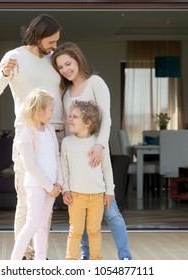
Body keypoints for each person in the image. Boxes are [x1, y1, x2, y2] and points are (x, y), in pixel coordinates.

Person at [0, 14, 64, 260]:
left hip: (55, 133)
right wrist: (4, 74)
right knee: (27, 198)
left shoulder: (54, 60)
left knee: (49, 196)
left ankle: (39, 255)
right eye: (51, 41)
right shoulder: (14, 57)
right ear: (38, 36)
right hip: (28, 133)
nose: (54, 47)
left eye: (56, 42)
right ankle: (25, 256)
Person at [52, 42, 132, 260]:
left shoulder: (95, 82)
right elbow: (69, 125)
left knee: (112, 212)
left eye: (68, 63)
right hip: (78, 158)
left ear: (77, 59)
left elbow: (106, 117)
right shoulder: (66, 92)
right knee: (84, 218)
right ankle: (86, 256)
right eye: (60, 67)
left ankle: (125, 257)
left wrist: (100, 145)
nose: (65, 69)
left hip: (98, 152)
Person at [10, 89, 63, 260]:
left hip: (52, 187)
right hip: (36, 186)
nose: (52, 113)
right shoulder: (26, 133)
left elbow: (57, 156)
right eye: (50, 109)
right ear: (39, 110)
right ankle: (14, 262)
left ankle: (40, 262)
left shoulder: (50, 130)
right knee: (32, 224)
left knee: (42, 226)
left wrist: (59, 183)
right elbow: (30, 165)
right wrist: (48, 186)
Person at [61, 100, 114, 260]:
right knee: (75, 231)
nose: (70, 119)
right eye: (70, 115)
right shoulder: (66, 142)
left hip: (97, 195)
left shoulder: (99, 143)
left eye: (75, 116)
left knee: (94, 231)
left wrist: (109, 191)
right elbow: (64, 168)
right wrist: (65, 189)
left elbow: (107, 168)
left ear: (88, 122)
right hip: (76, 196)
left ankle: (96, 262)